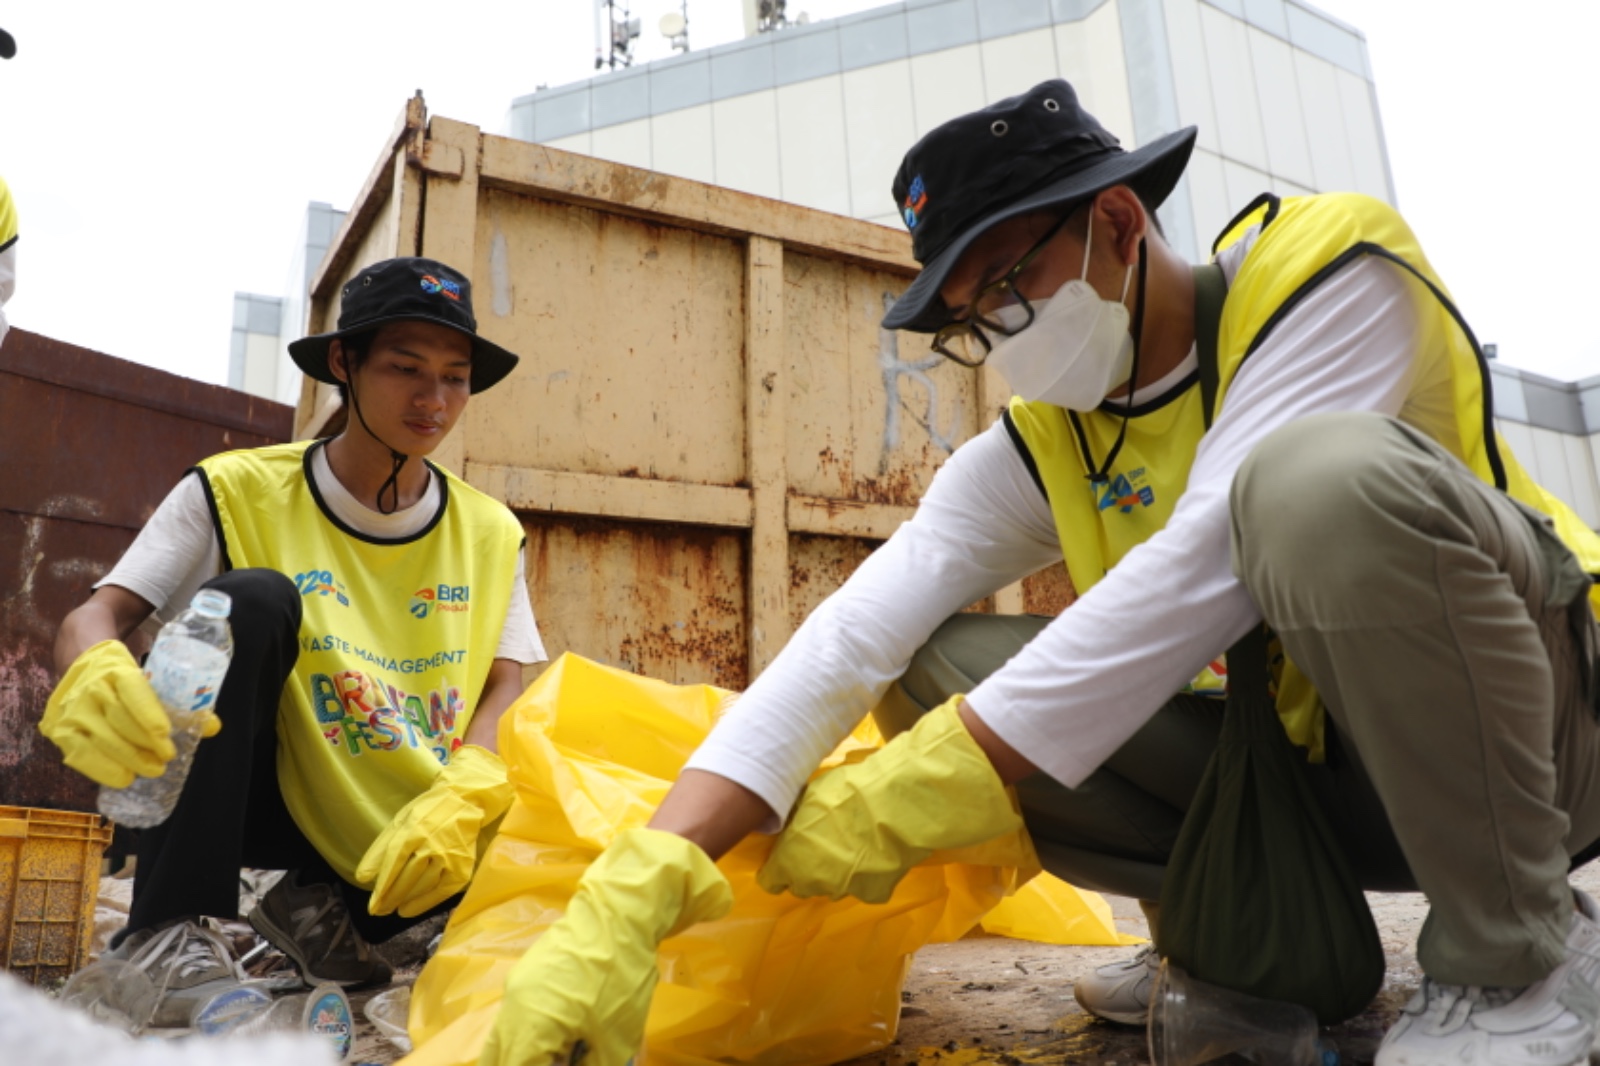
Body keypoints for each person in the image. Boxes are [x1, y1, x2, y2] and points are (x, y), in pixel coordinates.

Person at [477, 79, 1600, 1066]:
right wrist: (642, 882)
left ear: (1117, 219)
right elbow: (854, 632)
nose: (1001, 334)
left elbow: (1205, 559)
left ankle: (1521, 959)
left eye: (1007, 284)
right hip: (1328, 784)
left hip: (1546, 742)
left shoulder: (1326, 272)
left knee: (1311, 484)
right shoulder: (1050, 439)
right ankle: (1216, 943)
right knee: (929, 658)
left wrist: (915, 790)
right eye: (971, 321)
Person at [41, 257, 545, 1018]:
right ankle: (164, 932)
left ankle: (317, 903)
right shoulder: (234, 488)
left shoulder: (490, 530)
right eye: (406, 368)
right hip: (260, 795)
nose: (433, 400)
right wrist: (93, 670)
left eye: (455, 378)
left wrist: (471, 786)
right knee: (250, 600)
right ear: (344, 362)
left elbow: (506, 684)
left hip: (402, 827)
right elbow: (93, 617)